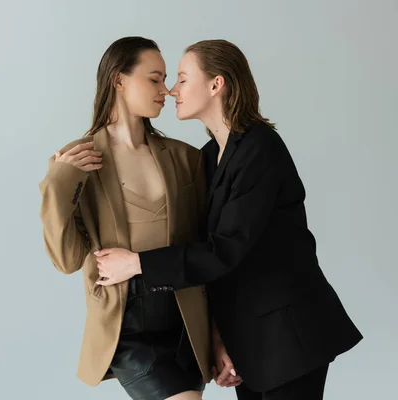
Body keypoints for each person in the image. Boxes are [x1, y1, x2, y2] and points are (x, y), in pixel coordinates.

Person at [93, 39, 363, 400]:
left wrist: (137, 264)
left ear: (216, 85)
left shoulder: (260, 148)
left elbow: (224, 250)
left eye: (183, 79)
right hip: (250, 338)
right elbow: (211, 259)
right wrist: (219, 339)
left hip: (289, 334)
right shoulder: (209, 157)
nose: (172, 90)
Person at [39, 37, 237, 400]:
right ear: (119, 80)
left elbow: (204, 254)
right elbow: (66, 260)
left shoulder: (186, 159)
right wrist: (57, 183)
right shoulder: (76, 162)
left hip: (185, 324)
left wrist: (217, 337)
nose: (166, 90)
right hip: (128, 326)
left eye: (165, 80)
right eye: (154, 79)